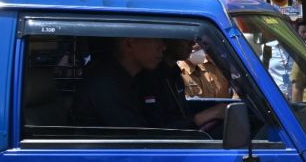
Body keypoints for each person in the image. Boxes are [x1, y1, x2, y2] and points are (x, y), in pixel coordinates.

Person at [72, 36, 224, 130]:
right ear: (130, 43)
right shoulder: (107, 86)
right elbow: (140, 139)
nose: (162, 47)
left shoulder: (133, 80)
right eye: (156, 39)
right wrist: (200, 118)